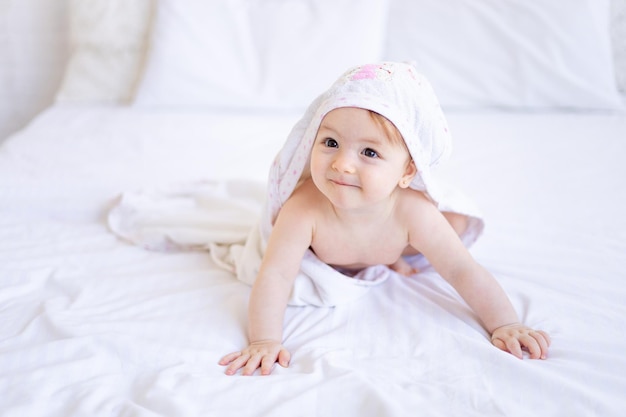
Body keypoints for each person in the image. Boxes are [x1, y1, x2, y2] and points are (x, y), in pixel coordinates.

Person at [219, 62, 550, 376]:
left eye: (369, 152)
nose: (342, 164)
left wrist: (505, 323)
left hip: (396, 238)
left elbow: (462, 269)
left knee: (452, 228)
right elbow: (275, 275)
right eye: (330, 143)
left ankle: (397, 254)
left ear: (407, 171)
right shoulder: (303, 210)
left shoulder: (412, 212)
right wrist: (264, 340)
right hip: (338, 253)